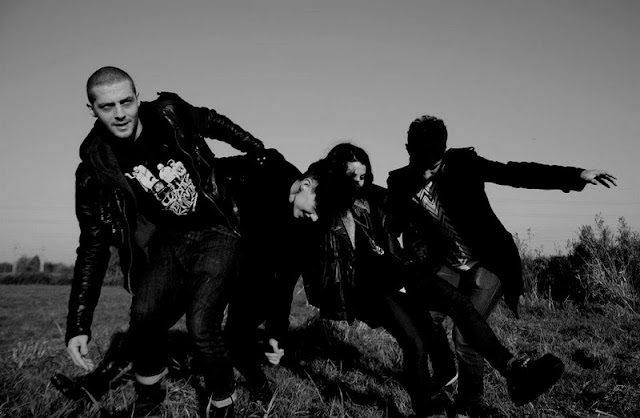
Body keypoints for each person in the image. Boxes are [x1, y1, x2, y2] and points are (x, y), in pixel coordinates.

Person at [66, 66, 265, 418]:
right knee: (144, 317)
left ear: (137, 97)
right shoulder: (95, 168)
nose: (120, 113)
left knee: (201, 325)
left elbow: (211, 121)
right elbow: (93, 246)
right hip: (166, 242)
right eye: (107, 106)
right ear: (92, 109)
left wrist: (254, 148)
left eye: (126, 102)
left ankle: (222, 401)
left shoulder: (169, 113)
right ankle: (149, 397)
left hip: (217, 230)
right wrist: (78, 325)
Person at [387, 115, 617, 417]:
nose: (428, 172)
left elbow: (515, 173)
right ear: (408, 150)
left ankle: (470, 400)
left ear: (443, 151)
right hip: (447, 263)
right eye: (421, 164)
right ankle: (445, 371)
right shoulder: (400, 182)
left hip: (488, 260)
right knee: (426, 318)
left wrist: (575, 176)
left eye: (434, 165)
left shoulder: (463, 164)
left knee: (465, 334)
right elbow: (393, 226)